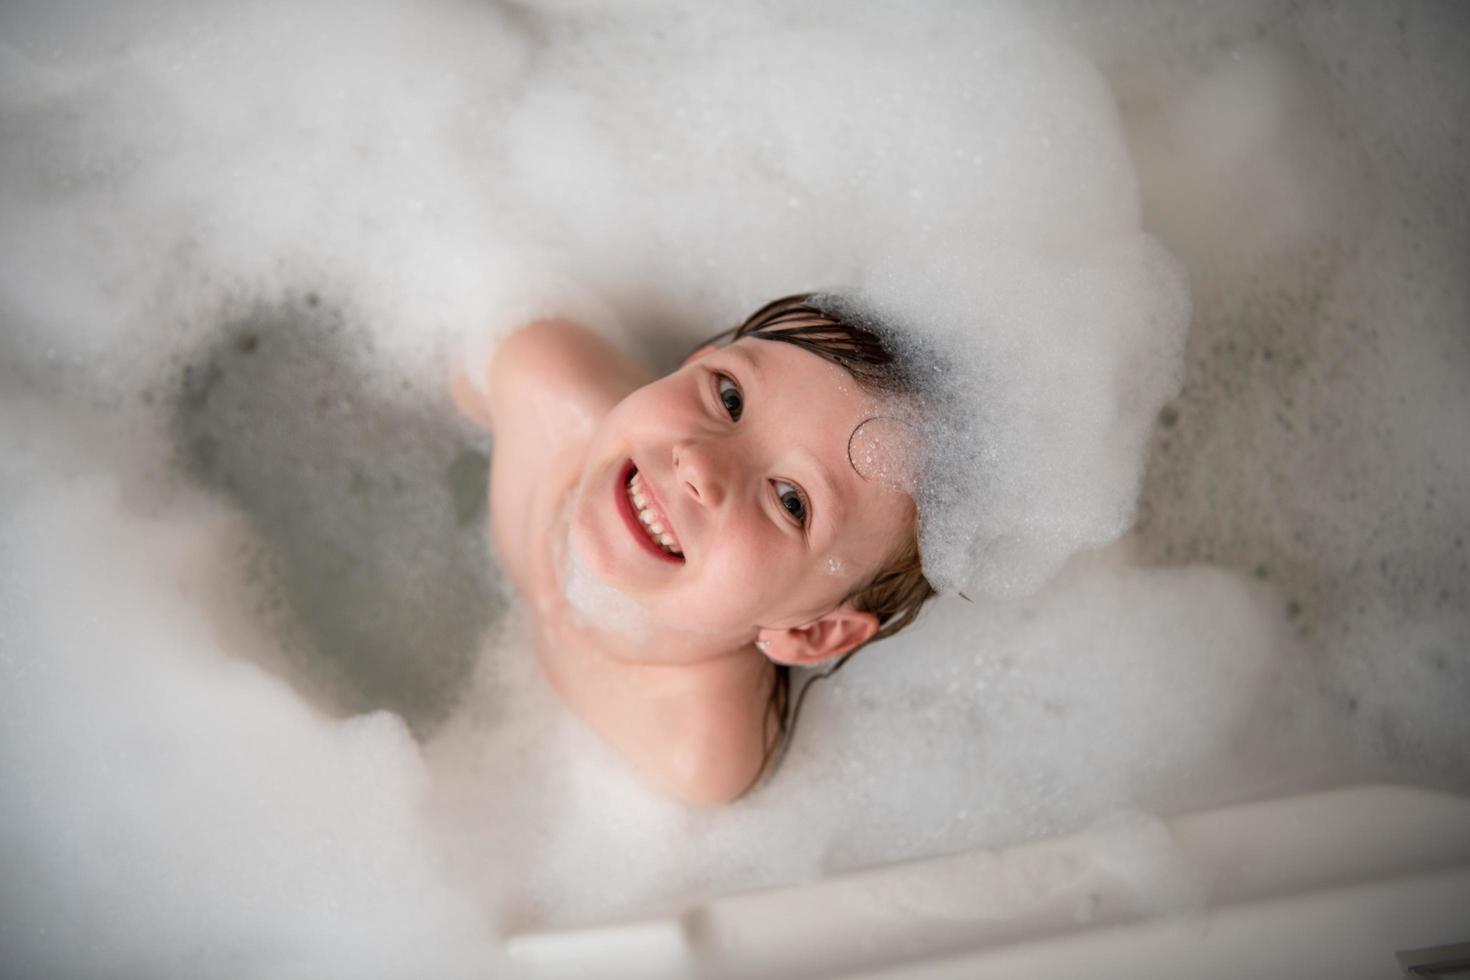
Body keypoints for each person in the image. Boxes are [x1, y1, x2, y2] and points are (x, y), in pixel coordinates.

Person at [453, 294, 936, 804]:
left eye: (790, 500)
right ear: (697, 359)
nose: (702, 465)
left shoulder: (699, 757)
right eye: (730, 397)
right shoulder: (537, 377)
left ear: (812, 631)